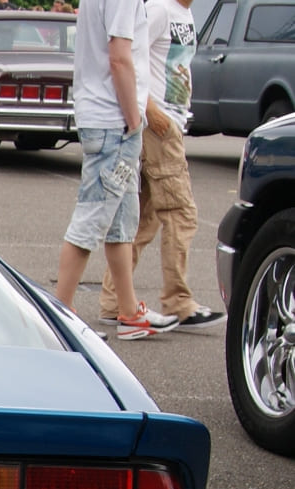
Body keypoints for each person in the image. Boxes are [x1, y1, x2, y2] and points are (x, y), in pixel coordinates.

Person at [53, 0, 178, 339]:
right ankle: (61, 312)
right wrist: (135, 120)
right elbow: (120, 56)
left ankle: (128, 310)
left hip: (108, 121)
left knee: (121, 218)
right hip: (115, 123)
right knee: (92, 217)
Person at [97, 0, 224, 329]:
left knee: (144, 219)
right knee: (182, 213)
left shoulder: (185, 14)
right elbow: (130, 60)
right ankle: (178, 301)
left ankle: (113, 300)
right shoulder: (159, 10)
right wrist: (151, 110)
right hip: (159, 126)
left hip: (172, 123)